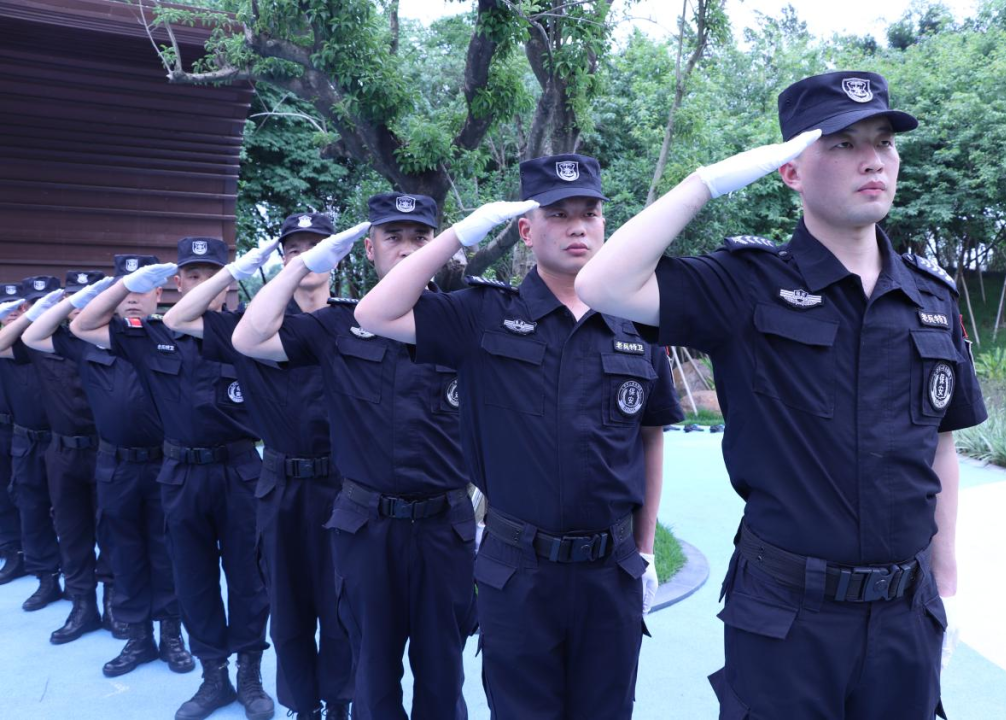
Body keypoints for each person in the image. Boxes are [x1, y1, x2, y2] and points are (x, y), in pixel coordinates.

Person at [574, 71, 987, 719]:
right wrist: (703, 183)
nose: (872, 159)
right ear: (790, 170)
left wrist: (948, 588)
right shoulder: (746, 284)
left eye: (883, 141)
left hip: (905, 618)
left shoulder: (930, 300)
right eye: (843, 143)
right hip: (786, 617)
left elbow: (940, 451)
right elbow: (601, 284)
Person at [354, 159, 683, 719]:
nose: (577, 227)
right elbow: (376, 312)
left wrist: (646, 549)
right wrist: (458, 236)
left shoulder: (636, 325)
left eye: (589, 213)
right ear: (527, 231)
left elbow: (650, 438)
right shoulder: (484, 315)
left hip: (611, 571)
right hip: (519, 570)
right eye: (558, 214)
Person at [231, 195, 476, 720]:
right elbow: (249, 338)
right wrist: (301, 264)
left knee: (443, 675)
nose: (407, 250)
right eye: (393, 237)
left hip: (444, 528)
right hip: (368, 529)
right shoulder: (336, 327)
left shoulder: (466, 321)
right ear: (369, 249)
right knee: (371, 674)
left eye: (420, 238)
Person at [72, 238, 273, 720]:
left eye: (214, 275)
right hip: (181, 474)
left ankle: (249, 674)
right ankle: (213, 676)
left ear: (229, 282)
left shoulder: (249, 332)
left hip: (240, 470)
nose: (204, 284)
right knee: (193, 578)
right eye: (194, 275)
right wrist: (126, 284)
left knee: (249, 578)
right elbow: (82, 325)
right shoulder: (151, 336)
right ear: (177, 283)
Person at [162, 213, 351, 720]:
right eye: (295, 249)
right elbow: (177, 319)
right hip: (280, 486)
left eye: (318, 247)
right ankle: (302, 705)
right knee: (287, 607)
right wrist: (234, 271)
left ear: (338, 256)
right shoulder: (252, 327)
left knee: (340, 603)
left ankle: (339, 702)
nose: (306, 257)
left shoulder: (357, 321)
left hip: (344, 485)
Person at [22, 255, 194, 678]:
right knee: (124, 553)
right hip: (115, 465)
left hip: (164, 463)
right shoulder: (89, 339)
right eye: (125, 288)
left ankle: (171, 635)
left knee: (167, 553)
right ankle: (138, 638)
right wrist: (85, 296)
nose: (133, 297)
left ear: (159, 292)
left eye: (142, 287)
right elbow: (34, 335)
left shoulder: (170, 335)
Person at [0, 271, 116, 643]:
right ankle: (82, 604)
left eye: (88, 297)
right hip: (62, 451)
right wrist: (41, 311)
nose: (80, 304)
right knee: (71, 530)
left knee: (110, 530)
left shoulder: (111, 340)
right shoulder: (43, 342)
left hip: (104, 450)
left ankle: (112, 600)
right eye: (73, 297)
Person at [0, 278, 63, 610]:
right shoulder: (14, 343)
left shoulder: (65, 339)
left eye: (45, 302)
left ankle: (83, 581)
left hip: (64, 440)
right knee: (32, 508)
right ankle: (46, 576)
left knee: (76, 515)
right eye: (32, 304)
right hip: (26, 439)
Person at [0, 283, 28, 585]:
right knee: (3, 495)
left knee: (33, 497)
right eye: (7, 307)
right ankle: (13, 551)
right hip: (3, 429)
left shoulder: (38, 341)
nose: (13, 313)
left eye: (19, 306)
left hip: (34, 433)